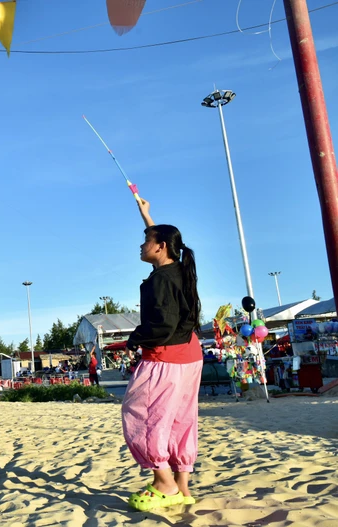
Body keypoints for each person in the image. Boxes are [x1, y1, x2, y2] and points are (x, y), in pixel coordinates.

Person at [122, 198, 202, 512]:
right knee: (180, 419)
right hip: (189, 353)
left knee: (141, 414)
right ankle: (182, 488)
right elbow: (163, 236)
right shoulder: (180, 269)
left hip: (165, 355)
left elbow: (164, 324)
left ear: (161, 247)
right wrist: (146, 214)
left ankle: (164, 482)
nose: (141, 246)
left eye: (146, 241)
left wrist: (134, 338)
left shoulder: (162, 280)